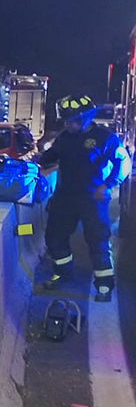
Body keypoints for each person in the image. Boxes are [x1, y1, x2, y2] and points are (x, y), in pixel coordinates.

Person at [39, 94, 132, 301]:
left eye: (72, 120)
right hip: (64, 198)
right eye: (66, 120)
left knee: (97, 241)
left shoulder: (105, 138)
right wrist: (39, 159)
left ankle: (105, 285)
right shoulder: (64, 137)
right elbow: (50, 157)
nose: (68, 124)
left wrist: (108, 185)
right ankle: (63, 273)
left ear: (87, 118)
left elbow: (123, 163)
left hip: (92, 199)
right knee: (54, 237)